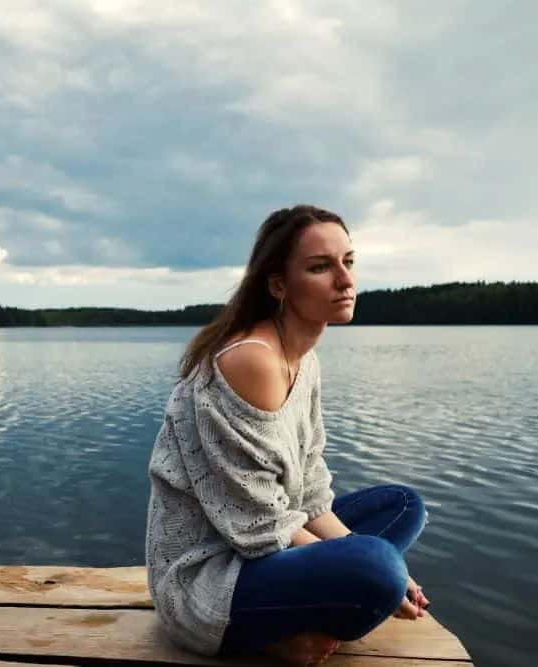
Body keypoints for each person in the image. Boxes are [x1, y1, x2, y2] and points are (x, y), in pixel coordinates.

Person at [145, 204, 430, 666]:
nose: (345, 279)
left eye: (349, 261)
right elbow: (260, 525)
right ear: (278, 285)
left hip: (264, 543)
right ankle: (275, 637)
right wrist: (369, 571)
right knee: (375, 568)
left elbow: (311, 488)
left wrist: (392, 573)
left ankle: (314, 608)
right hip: (208, 579)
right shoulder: (250, 361)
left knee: (402, 507)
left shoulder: (303, 359)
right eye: (320, 267)